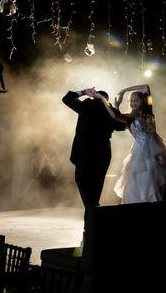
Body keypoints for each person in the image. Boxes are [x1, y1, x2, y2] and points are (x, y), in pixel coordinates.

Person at [93, 84, 166, 204]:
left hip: (156, 150)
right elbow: (115, 115)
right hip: (141, 153)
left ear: (143, 101)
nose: (133, 102)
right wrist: (105, 100)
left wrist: (124, 90)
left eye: (136, 100)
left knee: (157, 181)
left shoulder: (149, 110)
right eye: (131, 101)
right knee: (143, 180)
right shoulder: (129, 118)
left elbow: (146, 88)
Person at [62, 88, 126, 233]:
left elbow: (66, 99)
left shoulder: (88, 106)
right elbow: (121, 125)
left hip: (87, 156)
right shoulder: (106, 111)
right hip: (100, 156)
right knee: (93, 195)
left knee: (90, 196)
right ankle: (91, 229)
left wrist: (84, 92)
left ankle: (91, 230)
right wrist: (112, 107)